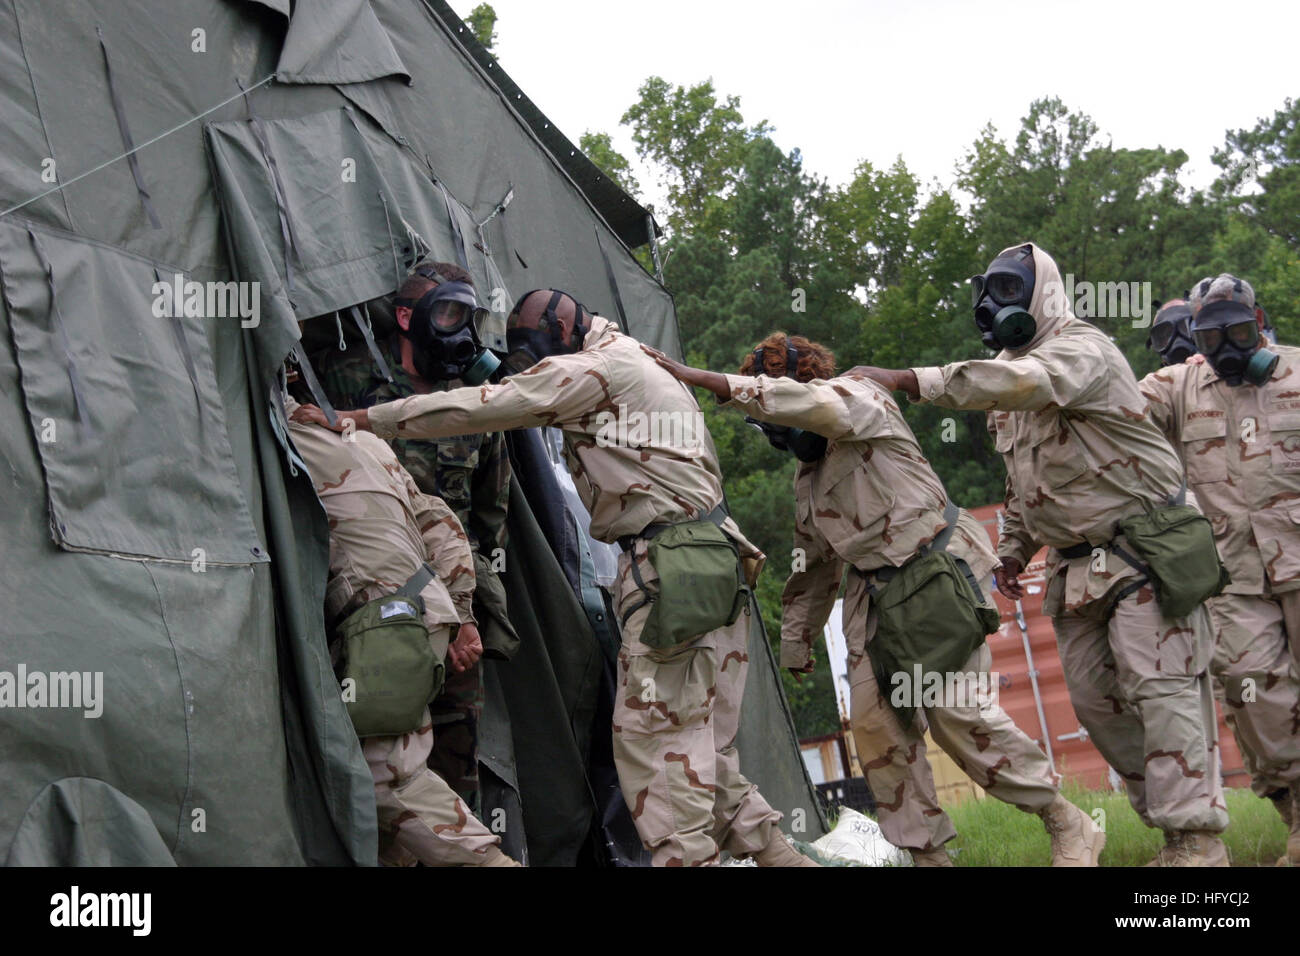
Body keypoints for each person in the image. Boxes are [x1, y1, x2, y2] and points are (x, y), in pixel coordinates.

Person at [294, 288, 813, 867]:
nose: (535, 365)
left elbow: (484, 406)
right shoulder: (636, 358)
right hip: (717, 561)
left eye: (536, 351)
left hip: (673, 568)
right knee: (705, 758)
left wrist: (361, 418)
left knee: (655, 755)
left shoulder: (596, 370)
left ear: (562, 334)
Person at [644, 332, 1102, 866]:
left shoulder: (860, 399)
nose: (778, 432)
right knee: (877, 733)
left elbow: (816, 406)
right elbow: (814, 564)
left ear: (804, 383)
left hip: (931, 571)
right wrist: (797, 640)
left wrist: (711, 382)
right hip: (871, 599)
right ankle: (929, 858)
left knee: (955, 713)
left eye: (774, 408)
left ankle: (1065, 820)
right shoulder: (808, 480)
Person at [851, 242, 1230, 866]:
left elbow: (1029, 383)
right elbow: (1025, 480)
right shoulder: (1008, 373)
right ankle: (1169, 830)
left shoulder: (1082, 351)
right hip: (1076, 568)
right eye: (987, 290)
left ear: (1043, 290)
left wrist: (908, 381)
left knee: (1161, 693)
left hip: (1145, 551)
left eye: (1007, 287)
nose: (991, 303)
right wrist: (1012, 548)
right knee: (1096, 705)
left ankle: (1198, 844)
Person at [284, 392, 518, 866]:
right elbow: (440, 521)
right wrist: (460, 615)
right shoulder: (362, 441)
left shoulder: (275, 438)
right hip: (417, 616)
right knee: (381, 822)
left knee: (386, 779)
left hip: (381, 629)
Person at [316, 261, 516, 811]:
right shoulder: (347, 376)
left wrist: (471, 612)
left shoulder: (476, 405)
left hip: (455, 602)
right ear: (407, 315)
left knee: (454, 757)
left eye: (469, 317)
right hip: (372, 591)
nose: (460, 330)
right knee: (377, 758)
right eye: (449, 312)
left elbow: (489, 521)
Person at [1138, 274, 1300, 866]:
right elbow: (1108, 407)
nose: (1226, 347)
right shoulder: (1179, 387)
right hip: (1233, 573)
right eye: (1211, 336)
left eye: (1237, 331)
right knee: (1254, 691)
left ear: (1258, 324)